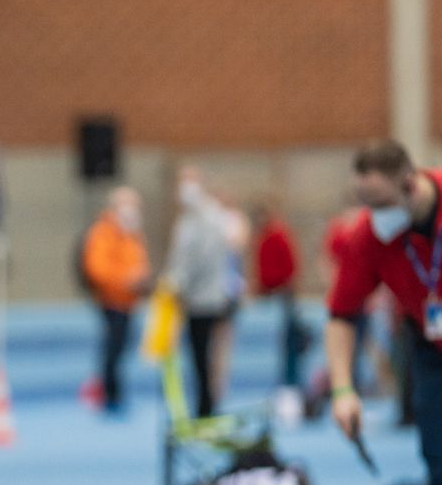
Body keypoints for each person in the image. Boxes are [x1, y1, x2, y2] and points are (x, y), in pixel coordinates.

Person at [327, 140, 442, 485]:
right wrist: (342, 390)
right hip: (435, 351)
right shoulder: (370, 236)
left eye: (382, 204)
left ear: (410, 184)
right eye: (366, 204)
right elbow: (341, 314)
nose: (374, 215)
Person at [164, 165, 236, 418]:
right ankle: (205, 404)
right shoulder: (193, 217)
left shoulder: (207, 216)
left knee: (204, 356)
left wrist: (178, 283)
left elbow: (199, 259)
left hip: (203, 297)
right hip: (199, 295)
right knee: (200, 358)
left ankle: (206, 407)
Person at [80, 186, 151, 412]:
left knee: (122, 348)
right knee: (112, 349)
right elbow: (97, 268)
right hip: (112, 301)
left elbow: (139, 261)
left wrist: (141, 278)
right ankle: (110, 394)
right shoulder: (103, 232)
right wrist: (124, 280)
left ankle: (116, 392)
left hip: (130, 300)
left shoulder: (132, 232)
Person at [252, 198, 303, 389]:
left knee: (290, 341)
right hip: (269, 292)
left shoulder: (279, 235)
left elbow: (291, 264)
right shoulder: (262, 237)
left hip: (282, 292)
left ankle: (291, 382)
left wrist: (284, 285)